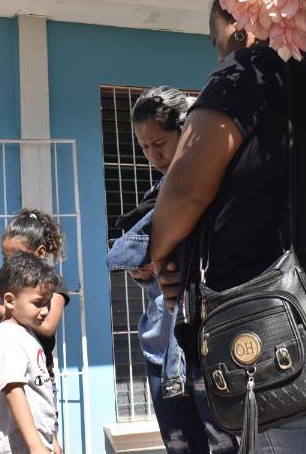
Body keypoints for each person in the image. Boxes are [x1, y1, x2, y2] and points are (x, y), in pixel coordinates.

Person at [149, 0, 306, 454]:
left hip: (276, 320)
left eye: (216, 40)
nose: (219, 54)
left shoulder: (243, 74)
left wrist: (160, 257)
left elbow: (185, 189)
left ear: (240, 26)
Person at [105, 86, 216, 454]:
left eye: (161, 143)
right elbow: (125, 254)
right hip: (162, 342)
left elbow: (133, 251)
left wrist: (152, 256)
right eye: (144, 148)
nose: (154, 155)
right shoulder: (160, 191)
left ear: (186, 132)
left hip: (197, 343)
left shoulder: (202, 185)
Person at [0, 209, 71, 440]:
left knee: (41, 439)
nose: (10, 263)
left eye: (16, 256)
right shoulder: (6, 289)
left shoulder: (52, 284)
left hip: (36, 381)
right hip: (1, 384)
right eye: (5, 258)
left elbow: (47, 327)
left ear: (41, 252)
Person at [0, 253, 61, 454]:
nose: (45, 311)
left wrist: (50, 439)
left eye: (48, 302)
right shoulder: (7, 339)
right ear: (9, 300)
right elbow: (14, 390)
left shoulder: (25, 334)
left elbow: (38, 395)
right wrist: (35, 445)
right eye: (38, 303)